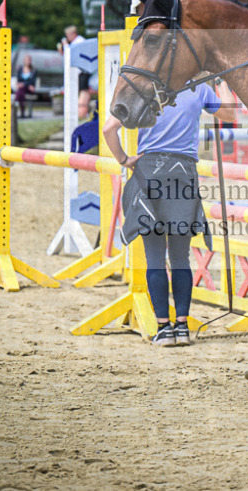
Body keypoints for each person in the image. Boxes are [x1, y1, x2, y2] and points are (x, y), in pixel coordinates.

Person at [102, 81, 236, 347]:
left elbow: (109, 129)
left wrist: (123, 159)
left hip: (149, 170)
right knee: (180, 258)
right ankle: (182, 327)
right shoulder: (199, 89)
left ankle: (163, 329)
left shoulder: (144, 88)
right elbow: (231, 115)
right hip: (183, 174)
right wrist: (221, 83)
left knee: (154, 257)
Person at [58, 25, 92, 118]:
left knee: (83, 90)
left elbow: (73, 54)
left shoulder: (79, 41)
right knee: (82, 90)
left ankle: (82, 111)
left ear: (73, 34)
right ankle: (82, 110)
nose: (67, 37)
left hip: (83, 70)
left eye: (68, 35)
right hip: (80, 70)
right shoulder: (76, 42)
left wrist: (65, 45)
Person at [14, 54, 37, 118]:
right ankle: (22, 111)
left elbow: (32, 81)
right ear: (24, 61)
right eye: (26, 60)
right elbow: (19, 80)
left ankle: (19, 109)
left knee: (20, 91)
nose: (28, 61)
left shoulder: (33, 70)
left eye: (29, 60)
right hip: (23, 89)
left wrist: (24, 84)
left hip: (29, 89)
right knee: (21, 91)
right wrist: (24, 84)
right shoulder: (20, 69)